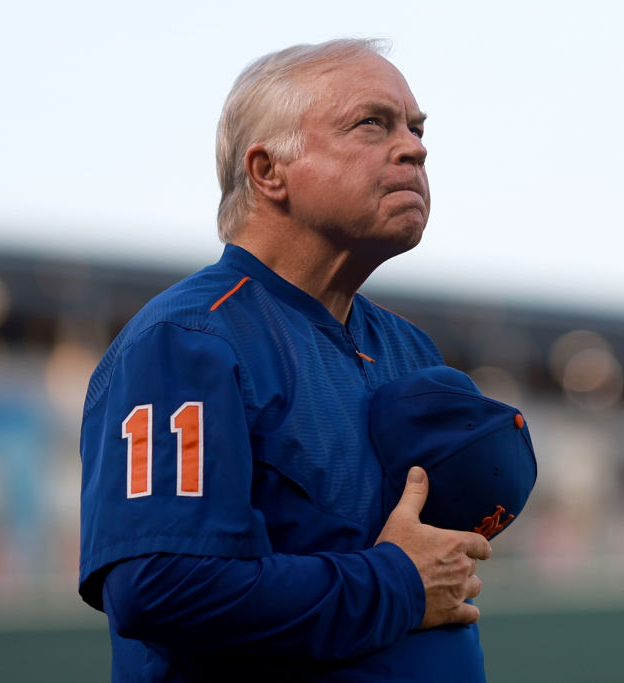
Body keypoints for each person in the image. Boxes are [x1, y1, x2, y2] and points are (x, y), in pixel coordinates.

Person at [78, 38, 494, 681]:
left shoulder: (410, 351)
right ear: (269, 172)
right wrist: (395, 584)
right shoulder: (188, 339)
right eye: (371, 124)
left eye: (415, 127)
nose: (415, 147)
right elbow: (158, 585)